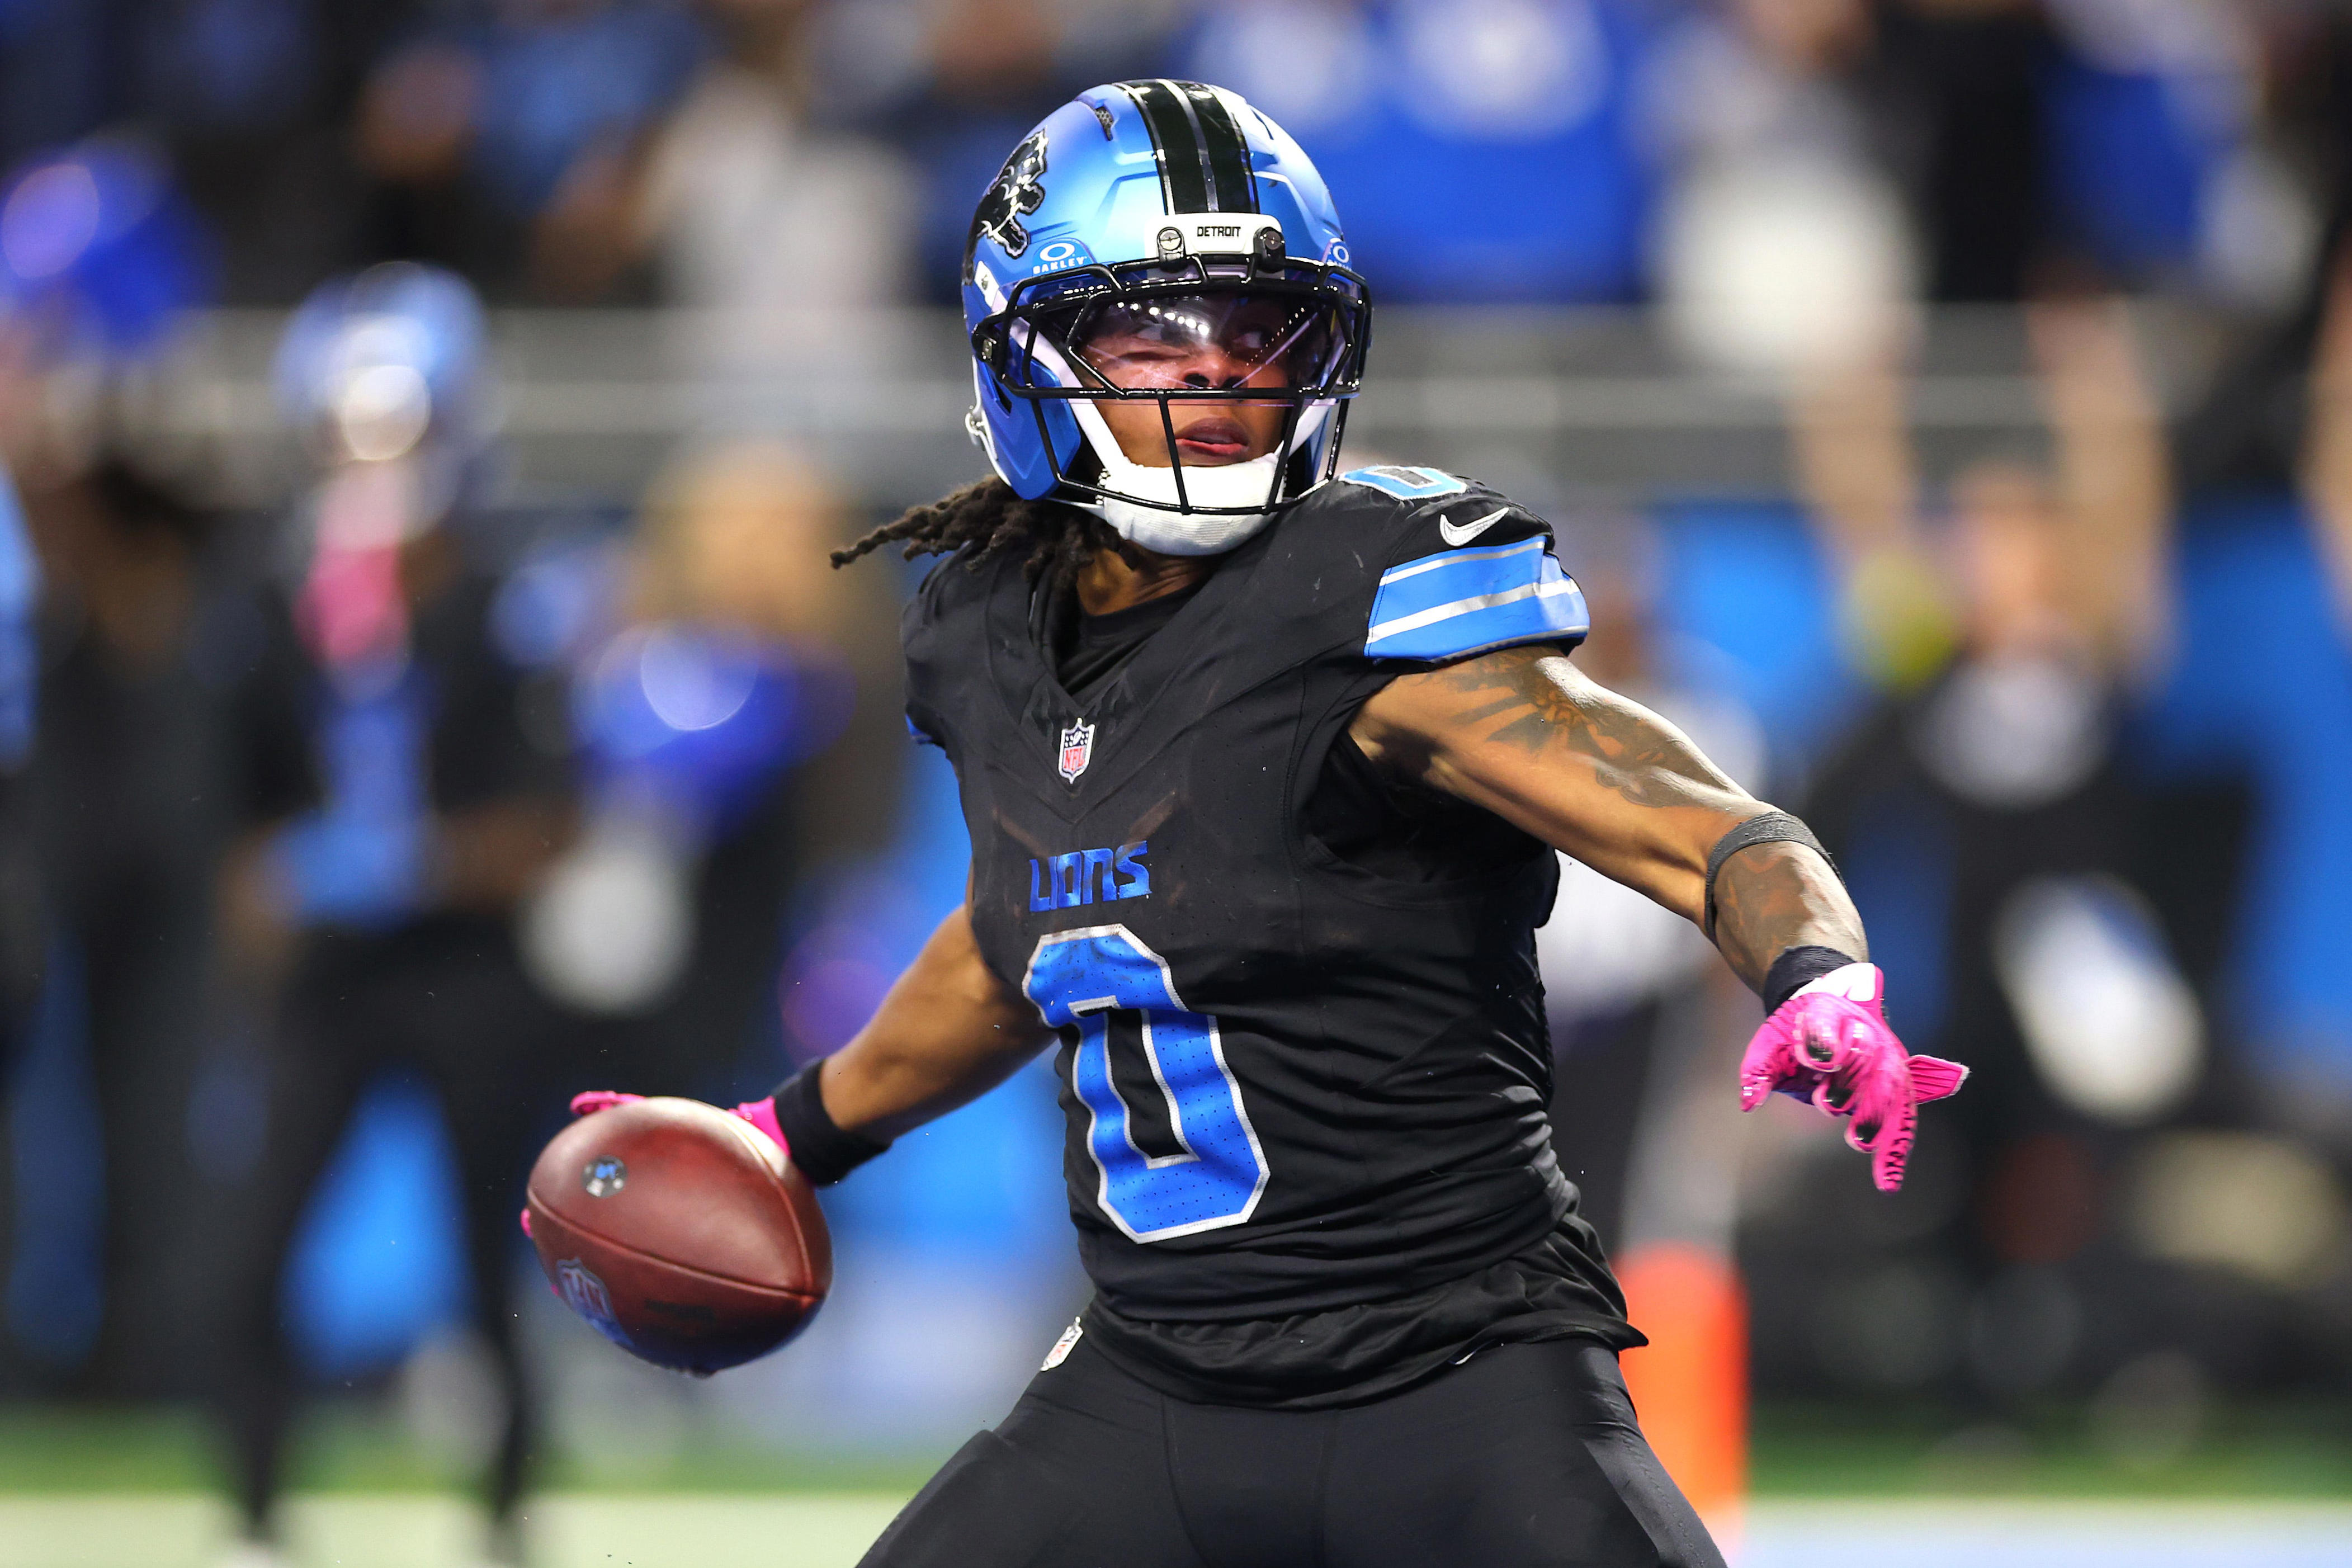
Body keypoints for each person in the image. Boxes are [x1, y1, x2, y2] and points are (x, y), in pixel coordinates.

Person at [568, 82, 1963, 1566]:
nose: (1217, 377)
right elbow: (1023, 932)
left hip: (1459, 1383)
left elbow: (1704, 824)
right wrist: (790, 1130)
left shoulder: (1369, 602)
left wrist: (1817, 968)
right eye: (1150, 338)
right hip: (1153, 1385)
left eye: (1257, 331)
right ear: (1021, 352)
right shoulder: (985, 629)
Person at [210, 265, 575, 1568]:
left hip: (468, 969)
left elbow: (549, 822)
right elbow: (234, 815)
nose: (370, 462)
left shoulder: (507, 598)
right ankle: (254, 1505)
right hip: (335, 971)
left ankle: (511, 1499)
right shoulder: (274, 602)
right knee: (260, 1233)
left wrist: (419, 859)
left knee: (491, 1244)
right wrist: (278, 876)